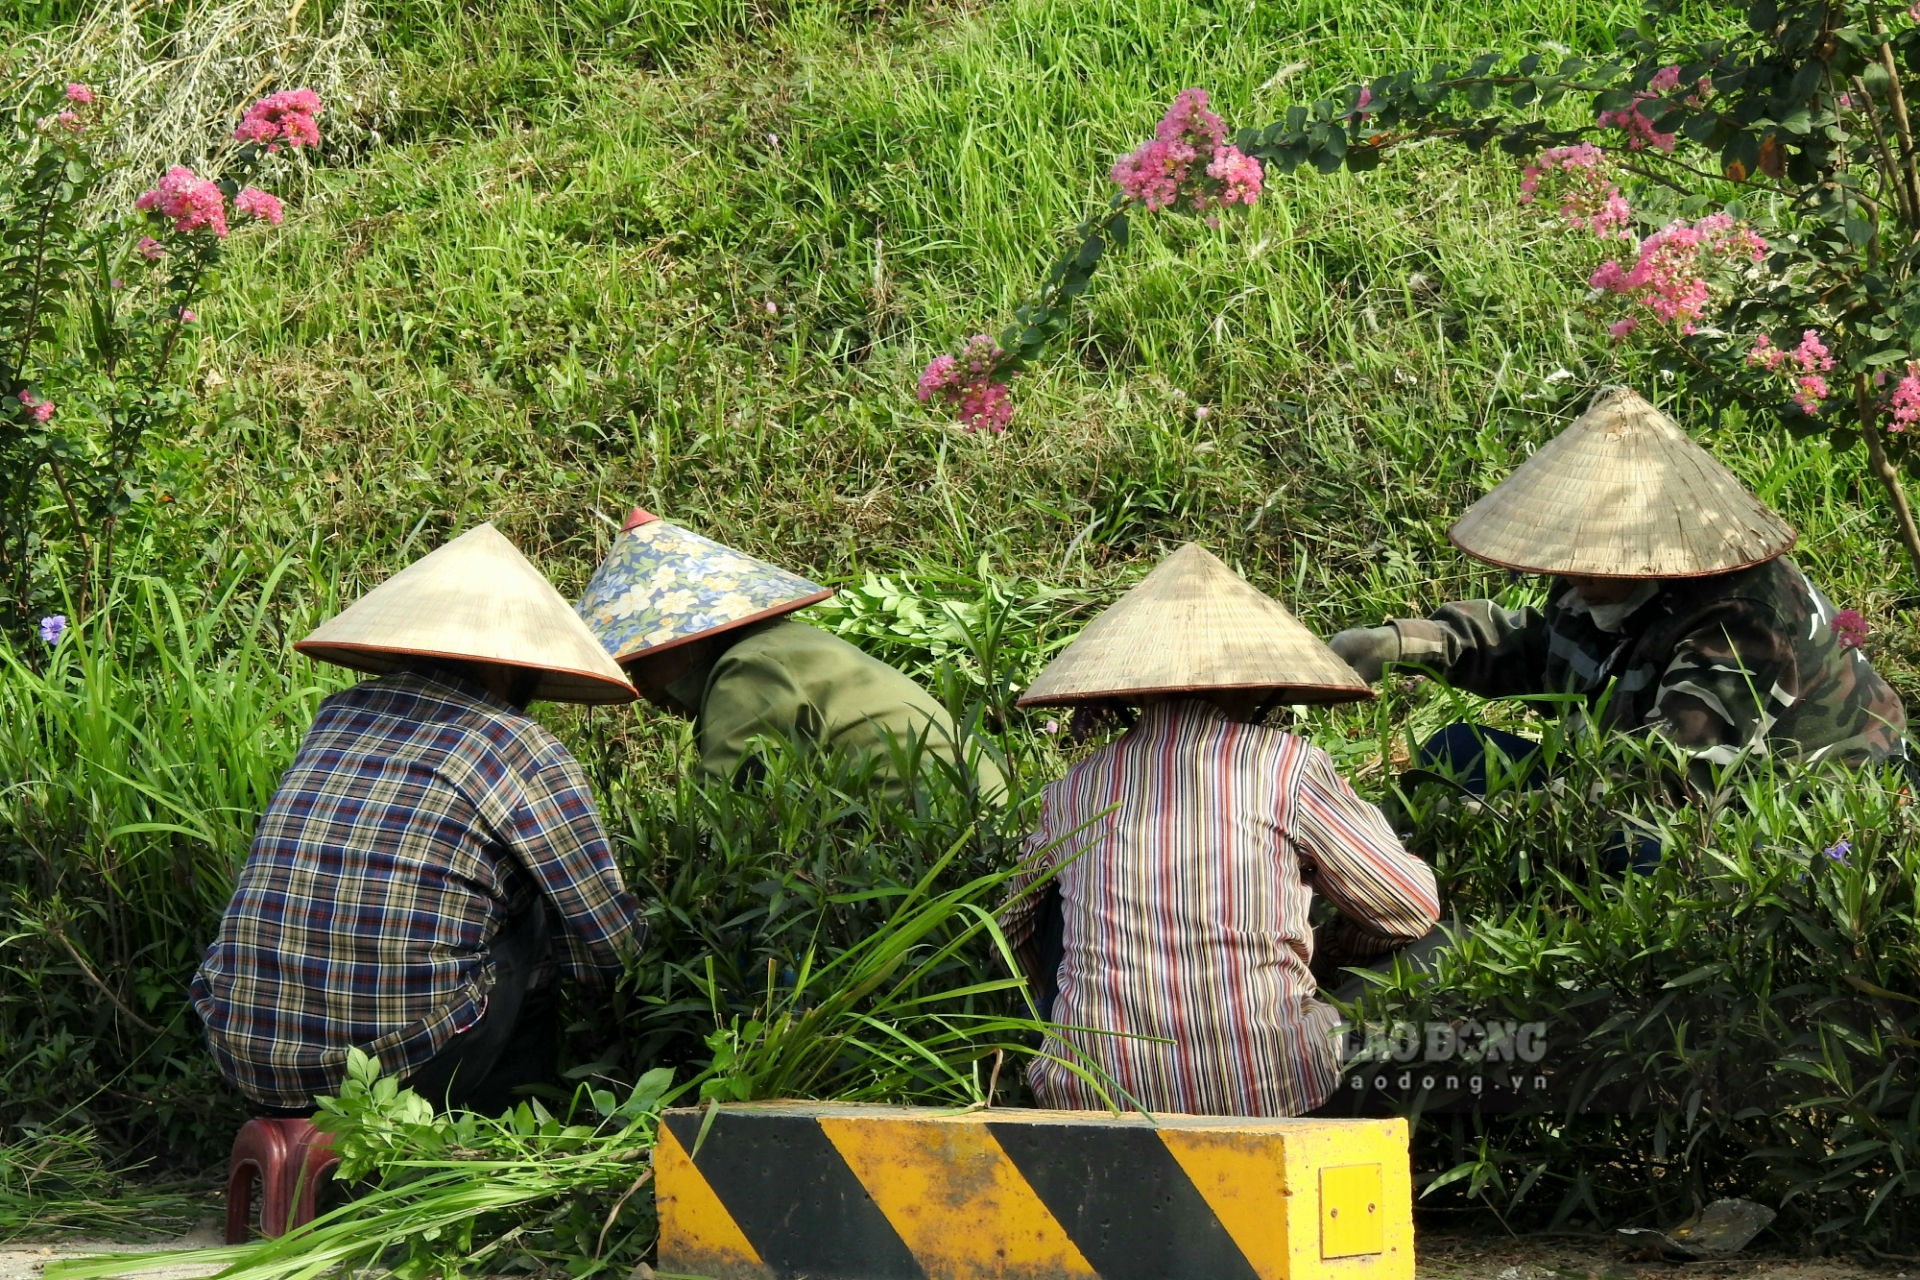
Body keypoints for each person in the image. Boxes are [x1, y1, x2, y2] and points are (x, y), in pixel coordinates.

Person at [192, 524, 645, 1116]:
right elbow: (611, 939)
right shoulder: (517, 745)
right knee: (533, 921)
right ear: (517, 668)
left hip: (242, 1051)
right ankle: (499, 1139)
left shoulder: (338, 715)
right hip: (393, 1070)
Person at [1000, 542, 1440, 1117]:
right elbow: (1406, 909)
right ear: (1257, 685)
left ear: (1127, 690)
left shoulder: (1075, 787)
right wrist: (1338, 950)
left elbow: (1010, 925)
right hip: (1269, 1088)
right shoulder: (1286, 765)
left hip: (1092, 1092)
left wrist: (1069, 1003)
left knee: (1055, 903)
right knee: (1441, 947)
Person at [1330, 387, 1908, 788]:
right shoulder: (1600, 584)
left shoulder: (1740, 623)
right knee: (1452, 755)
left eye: (1595, 563)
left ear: (1649, 554)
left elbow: (1672, 780)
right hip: (1628, 766)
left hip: (1783, 807)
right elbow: (1545, 650)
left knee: (1637, 848)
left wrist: (1509, 822)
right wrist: (1406, 644)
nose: (1574, 578)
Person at [576, 508, 1005, 799]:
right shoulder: (787, 644)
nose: (640, 684)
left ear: (695, 636)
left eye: (641, 656)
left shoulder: (751, 667)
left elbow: (716, 811)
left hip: (958, 842)